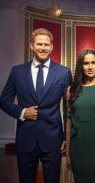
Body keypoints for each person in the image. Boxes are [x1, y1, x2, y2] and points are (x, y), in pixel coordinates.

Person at [0, 28, 72, 183]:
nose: (43, 48)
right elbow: (3, 100)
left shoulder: (64, 73)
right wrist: (22, 112)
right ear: (31, 45)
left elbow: (68, 108)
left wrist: (67, 136)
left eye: (47, 45)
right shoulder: (17, 72)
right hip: (25, 139)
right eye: (39, 44)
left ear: (52, 47)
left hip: (54, 140)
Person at [66, 49, 95, 183]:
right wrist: (68, 154)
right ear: (81, 66)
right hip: (77, 147)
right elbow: (69, 123)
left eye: (93, 62)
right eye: (86, 63)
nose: (90, 67)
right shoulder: (71, 90)